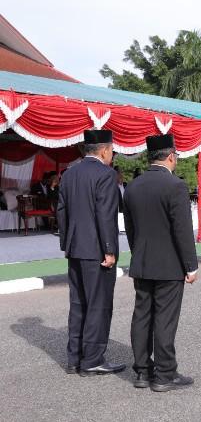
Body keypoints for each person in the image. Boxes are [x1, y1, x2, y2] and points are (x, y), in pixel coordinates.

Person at [123, 134, 198, 392]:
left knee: (142, 316)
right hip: (169, 265)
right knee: (164, 319)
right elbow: (182, 231)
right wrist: (191, 265)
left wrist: (139, 253)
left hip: (142, 263)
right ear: (171, 156)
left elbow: (129, 229)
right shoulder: (175, 186)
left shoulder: (132, 187)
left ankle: (143, 372)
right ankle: (165, 374)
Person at [56, 129, 125, 376]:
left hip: (75, 248)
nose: (112, 155)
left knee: (78, 304)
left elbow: (61, 212)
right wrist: (109, 250)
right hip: (97, 250)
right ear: (105, 150)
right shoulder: (106, 175)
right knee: (99, 305)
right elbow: (105, 215)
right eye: (112, 150)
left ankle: (74, 359)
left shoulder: (69, 173)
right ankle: (93, 359)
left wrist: (67, 244)